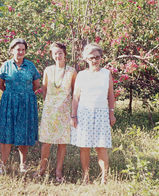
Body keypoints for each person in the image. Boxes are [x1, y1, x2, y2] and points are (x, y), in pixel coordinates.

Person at [70, 43, 116, 184]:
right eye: (91, 58)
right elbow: (76, 97)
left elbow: (111, 95)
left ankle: (104, 178)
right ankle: (86, 177)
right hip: (84, 114)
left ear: (101, 58)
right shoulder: (81, 75)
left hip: (102, 113)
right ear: (86, 59)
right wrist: (73, 116)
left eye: (97, 57)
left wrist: (112, 113)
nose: (95, 60)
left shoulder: (106, 74)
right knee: (85, 147)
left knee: (101, 147)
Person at [0, 38, 40, 174]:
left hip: (26, 102)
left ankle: (23, 165)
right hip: (9, 102)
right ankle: (2, 165)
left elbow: (36, 84)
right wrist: (12, 94)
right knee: (6, 132)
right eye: (17, 49)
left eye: (23, 50)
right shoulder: (6, 66)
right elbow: (0, 84)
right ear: (12, 50)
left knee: (24, 133)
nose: (20, 52)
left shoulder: (30, 66)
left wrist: (24, 94)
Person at [37, 42, 77, 182]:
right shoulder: (48, 70)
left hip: (64, 111)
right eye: (55, 53)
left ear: (65, 54)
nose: (57, 55)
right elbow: (44, 90)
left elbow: (75, 93)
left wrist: (73, 113)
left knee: (62, 142)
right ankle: (42, 168)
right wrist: (50, 105)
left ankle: (58, 170)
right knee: (46, 141)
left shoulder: (72, 71)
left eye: (60, 52)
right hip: (50, 110)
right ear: (52, 55)